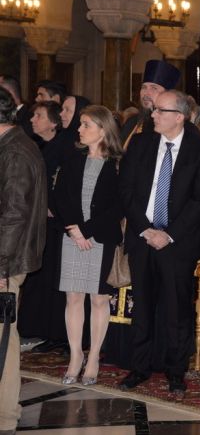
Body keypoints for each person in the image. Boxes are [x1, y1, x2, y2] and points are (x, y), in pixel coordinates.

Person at [118, 89, 200, 394]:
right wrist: (146, 229)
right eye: (155, 110)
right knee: (142, 306)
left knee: (176, 310)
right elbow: (126, 190)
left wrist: (169, 234)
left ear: (180, 117)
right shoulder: (141, 144)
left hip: (178, 243)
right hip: (143, 238)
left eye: (161, 110)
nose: (154, 115)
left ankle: (176, 371)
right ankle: (140, 366)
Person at [54, 105, 123, 386]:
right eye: (80, 124)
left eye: (86, 125)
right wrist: (74, 229)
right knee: (73, 297)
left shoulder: (118, 164)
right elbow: (59, 197)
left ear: (103, 130)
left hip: (100, 238)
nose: (79, 129)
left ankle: (94, 356)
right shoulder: (73, 158)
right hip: (73, 236)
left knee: (98, 299)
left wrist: (87, 230)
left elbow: (119, 205)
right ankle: (75, 356)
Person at [0, 86, 47, 435]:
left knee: (4, 340)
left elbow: (14, 214)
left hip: (7, 261)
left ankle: (4, 415)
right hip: (8, 258)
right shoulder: (12, 146)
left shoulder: (16, 152)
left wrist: (1, 265)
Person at [18, 101, 73, 353]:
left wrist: (50, 205)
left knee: (53, 279)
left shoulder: (64, 148)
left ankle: (54, 332)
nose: (32, 119)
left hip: (57, 222)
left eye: (38, 115)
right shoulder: (39, 146)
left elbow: (59, 184)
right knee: (38, 278)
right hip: (39, 220)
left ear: (53, 123)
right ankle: (38, 329)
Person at [120, 60, 181, 143]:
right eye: (144, 87)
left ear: (167, 94)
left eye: (154, 88)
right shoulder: (131, 122)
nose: (146, 93)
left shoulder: (175, 127)